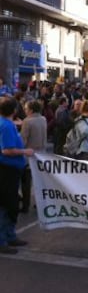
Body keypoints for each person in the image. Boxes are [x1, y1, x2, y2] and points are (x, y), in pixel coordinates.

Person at [0, 97, 34, 254]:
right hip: (7, 170)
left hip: (11, 169)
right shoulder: (6, 126)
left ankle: (10, 235)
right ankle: (3, 239)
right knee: (7, 205)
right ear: (13, 110)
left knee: (10, 204)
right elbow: (7, 150)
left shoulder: (8, 124)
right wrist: (24, 152)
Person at [20, 100, 47, 213]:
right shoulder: (43, 119)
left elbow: (23, 140)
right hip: (41, 153)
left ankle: (25, 205)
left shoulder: (27, 121)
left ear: (30, 110)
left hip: (29, 154)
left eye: (26, 108)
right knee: (39, 181)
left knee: (26, 182)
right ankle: (40, 203)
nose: (25, 110)